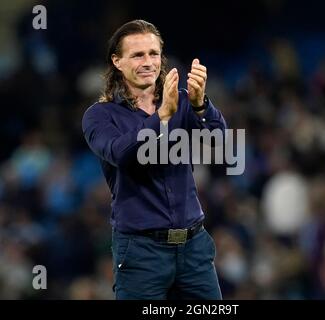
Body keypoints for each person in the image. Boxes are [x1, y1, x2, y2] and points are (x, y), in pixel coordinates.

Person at [82, 19, 227, 300]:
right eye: (137, 55)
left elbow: (220, 145)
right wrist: (161, 117)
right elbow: (121, 154)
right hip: (141, 253)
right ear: (117, 62)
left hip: (194, 247)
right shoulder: (100, 115)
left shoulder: (182, 102)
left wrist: (200, 105)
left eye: (153, 53)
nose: (148, 61)